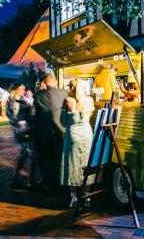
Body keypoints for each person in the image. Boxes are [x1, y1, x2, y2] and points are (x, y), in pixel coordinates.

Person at [60, 79, 95, 208]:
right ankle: (88, 197)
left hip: (72, 135)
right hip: (87, 135)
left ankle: (74, 197)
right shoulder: (90, 100)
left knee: (72, 165)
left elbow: (63, 122)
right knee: (87, 165)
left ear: (70, 87)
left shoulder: (68, 101)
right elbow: (89, 116)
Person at [34, 73, 68, 193]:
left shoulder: (38, 96)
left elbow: (34, 115)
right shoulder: (64, 93)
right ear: (54, 82)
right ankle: (59, 184)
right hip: (60, 132)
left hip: (43, 134)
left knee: (45, 159)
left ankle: (49, 185)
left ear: (45, 83)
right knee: (58, 159)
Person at [6, 83, 37, 189]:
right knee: (33, 156)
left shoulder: (15, 100)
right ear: (15, 90)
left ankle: (14, 180)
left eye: (24, 89)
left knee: (22, 156)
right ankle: (30, 182)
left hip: (20, 132)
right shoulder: (17, 101)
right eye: (21, 89)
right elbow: (16, 117)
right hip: (25, 132)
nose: (24, 91)